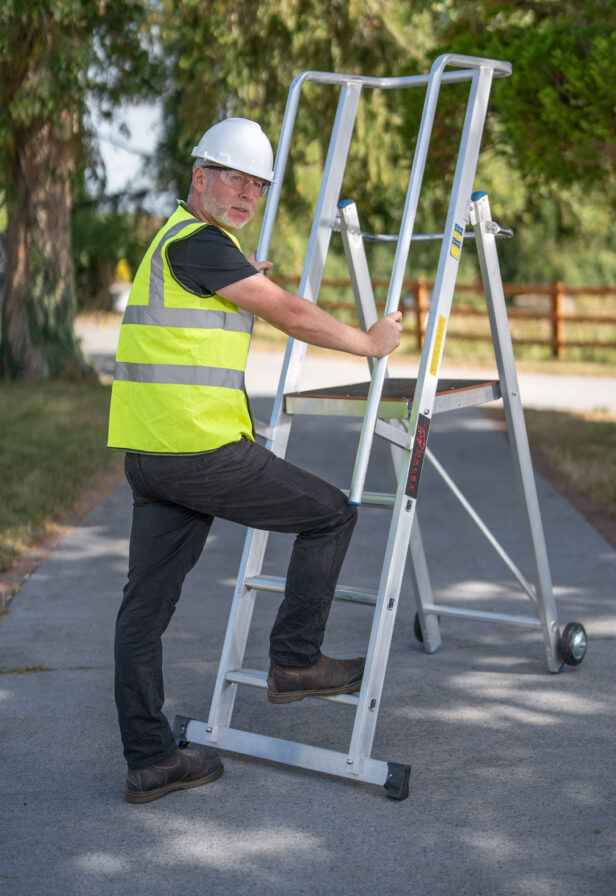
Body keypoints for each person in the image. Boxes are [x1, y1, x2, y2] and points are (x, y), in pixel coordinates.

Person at [108, 117, 403, 804]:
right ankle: (295, 663)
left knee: (143, 612)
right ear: (199, 176)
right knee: (330, 514)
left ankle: (152, 760)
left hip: (151, 453)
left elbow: (213, 303)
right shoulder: (202, 245)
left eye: (256, 185)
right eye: (232, 178)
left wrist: (238, 271)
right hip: (199, 452)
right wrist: (368, 342)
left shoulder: (181, 245)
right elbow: (292, 314)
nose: (245, 193)